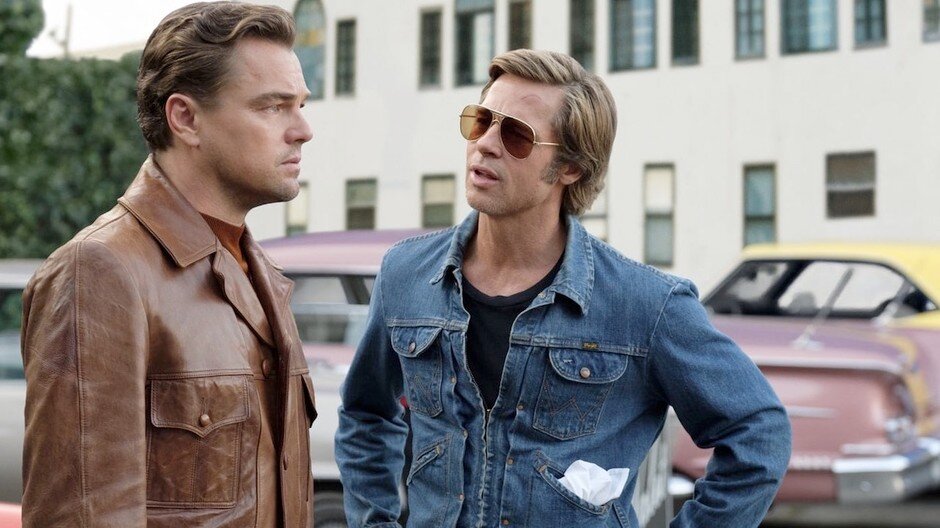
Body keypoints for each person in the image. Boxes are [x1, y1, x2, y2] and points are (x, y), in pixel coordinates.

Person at [335, 49, 791, 527]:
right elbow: (366, 414)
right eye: (481, 120)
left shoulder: (646, 305)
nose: (485, 144)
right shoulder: (406, 274)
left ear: (570, 167)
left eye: (516, 135)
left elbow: (758, 433)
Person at [20, 2, 316, 526]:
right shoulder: (100, 270)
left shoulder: (261, 273)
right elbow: (83, 513)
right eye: (273, 107)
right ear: (185, 118)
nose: (303, 130)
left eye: (300, 105)